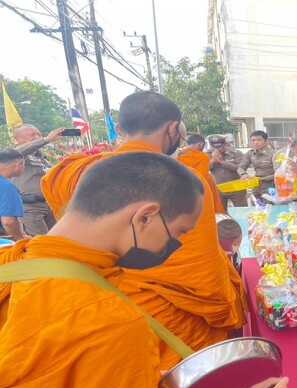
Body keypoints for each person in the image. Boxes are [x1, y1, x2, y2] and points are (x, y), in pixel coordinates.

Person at [0, 152, 288, 388]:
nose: (173, 248)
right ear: (145, 216)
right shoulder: (105, 319)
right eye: (178, 233)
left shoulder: (10, 264)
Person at [39, 91, 246, 369]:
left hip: (89, 306)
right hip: (170, 318)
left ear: (121, 129)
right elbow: (200, 271)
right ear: (173, 129)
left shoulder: (73, 172)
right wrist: (228, 309)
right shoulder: (179, 181)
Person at [11, 124, 65, 235]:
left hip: (48, 204)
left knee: (56, 239)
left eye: (39, 134)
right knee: (41, 243)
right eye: (32, 135)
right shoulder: (15, 155)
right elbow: (18, 152)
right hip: (30, 207)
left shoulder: (41, 156)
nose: (37, 137)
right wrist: (46, 139)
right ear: (18, 139)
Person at [178, 133, 225, 213]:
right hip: (200, 191)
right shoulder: (202, 157)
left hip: (182, 190)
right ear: (200, 144)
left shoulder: (177, 155)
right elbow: (204, 178)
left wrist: (212, 160)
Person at [209, 135, 247, 211]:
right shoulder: (208, 154)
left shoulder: (236, 153)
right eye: (214, 147)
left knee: (241, 212)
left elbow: (240, 168)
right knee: (221, 213)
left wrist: (222, 161)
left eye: (220, 147)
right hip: (219, 189)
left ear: (225, 145)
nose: (217, 149)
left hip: (236, 189)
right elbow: (205, 168)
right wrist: (213, 160)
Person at [239, 130, 277, 199]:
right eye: (253, 140)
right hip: (256, 187)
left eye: (259, 140)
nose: (255, 143)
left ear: (266, 141)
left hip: (270, 188)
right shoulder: (250, 153)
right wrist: (243, 174)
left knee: (269, 208)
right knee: (256, 208)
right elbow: (241, 167)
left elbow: (280, 173)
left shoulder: (274, 154)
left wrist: (263, 178)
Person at [0, 150, 26, 241]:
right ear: (19, 164)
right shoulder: (6, 187)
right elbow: (8, 222)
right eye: (24, 165)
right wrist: (21, 239)